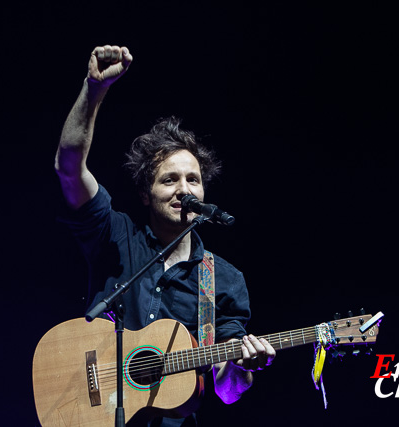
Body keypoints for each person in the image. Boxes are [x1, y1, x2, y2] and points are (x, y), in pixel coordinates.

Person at [55, 44, 276, 426]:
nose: (184, 190)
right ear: (146, 193)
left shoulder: (222, 280)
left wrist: (243, 369)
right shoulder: (116, 235)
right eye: (169, 180)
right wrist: (94, 90)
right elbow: (68, 167)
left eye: (193, 179)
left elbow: (225, 390)